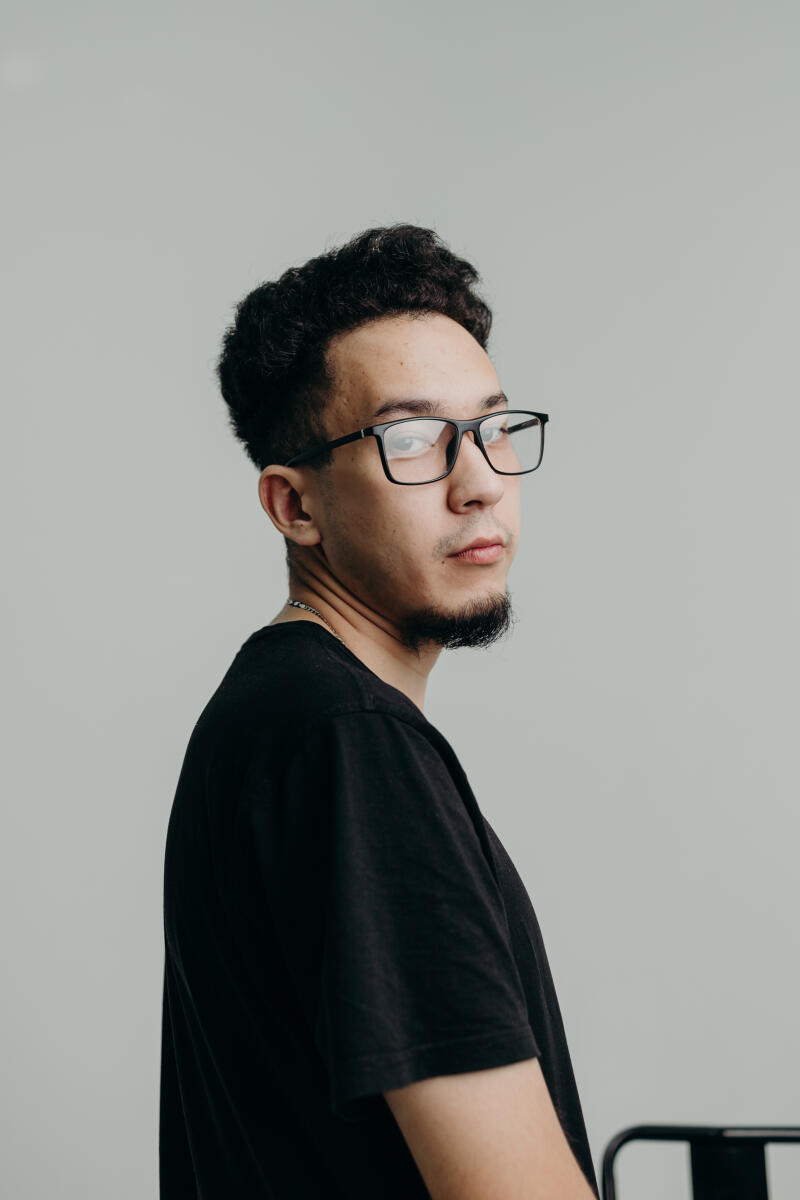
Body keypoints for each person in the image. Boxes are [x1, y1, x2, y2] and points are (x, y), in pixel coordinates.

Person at [159, 222, 599, 1199]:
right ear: (293, 506)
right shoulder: (347, 744)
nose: (480, 481)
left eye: (492, 426)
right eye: (409, 440)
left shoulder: (275, 718)